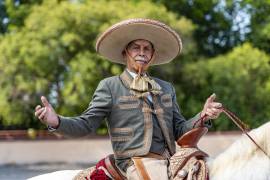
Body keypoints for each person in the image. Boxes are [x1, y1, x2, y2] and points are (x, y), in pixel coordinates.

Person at [34, 18, 222, 179]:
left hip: (170, 159)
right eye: (136, 48)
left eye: (147, 48)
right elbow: (86, 124)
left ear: (152, 55)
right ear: (125, 53)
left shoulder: (166, 88)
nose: (142, 52)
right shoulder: (110, 86)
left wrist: (203, 115)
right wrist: (56, 121)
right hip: (133, 161)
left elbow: (180, 130)